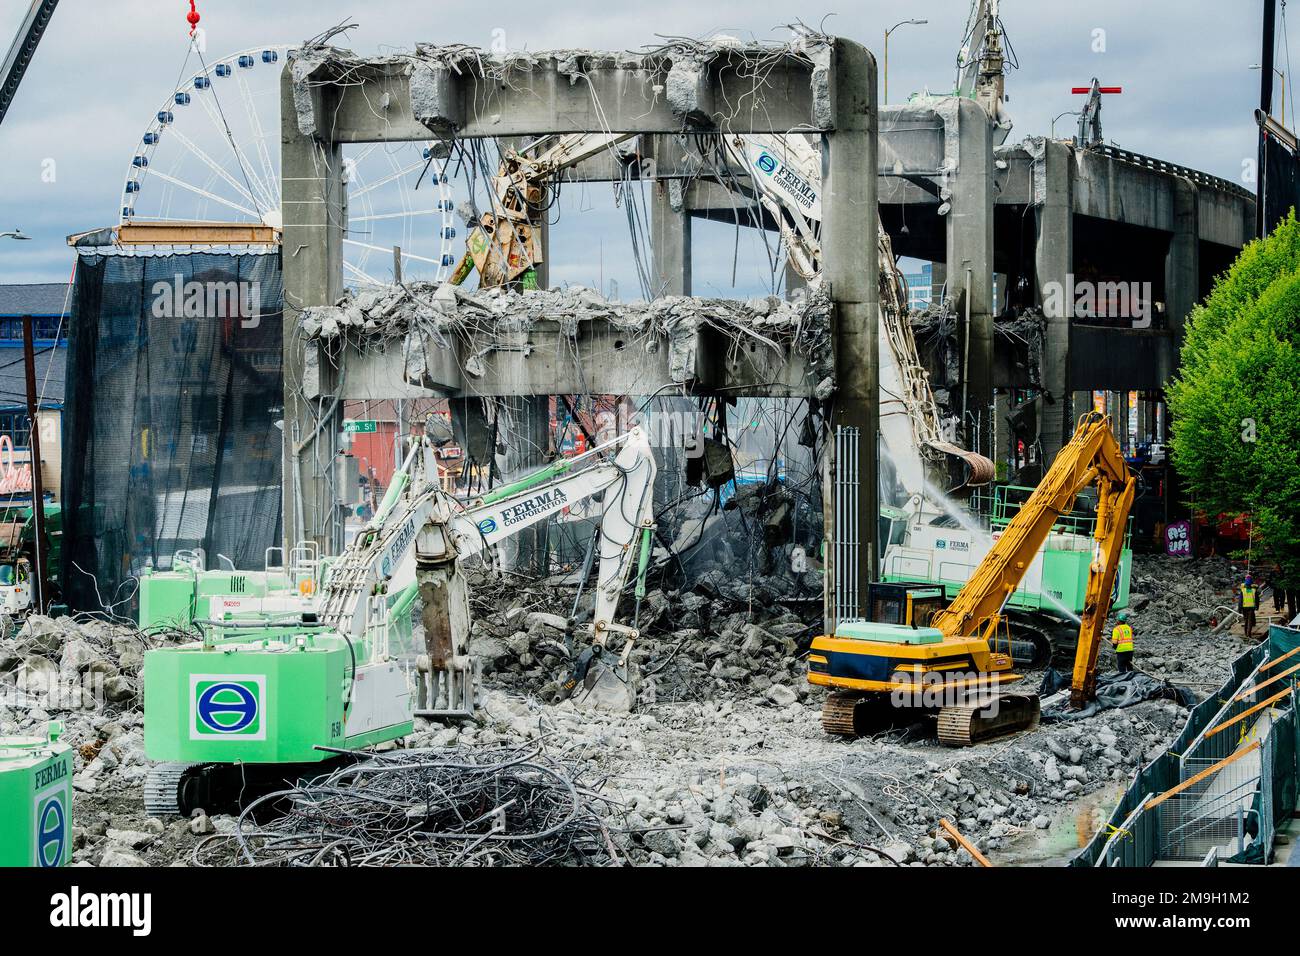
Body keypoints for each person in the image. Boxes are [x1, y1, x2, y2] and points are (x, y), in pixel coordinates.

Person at [1237, 574, 1259, 640]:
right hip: (1251, 607)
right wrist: (1257, 606)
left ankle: (1246, 633)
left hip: (1244, 607)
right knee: (1250, 621)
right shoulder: (1254, 590)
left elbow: (1240, 600)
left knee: (1246, 620)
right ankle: (1249, 634)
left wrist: (1239, 609)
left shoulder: (1243, 590)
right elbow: (1257, 599)